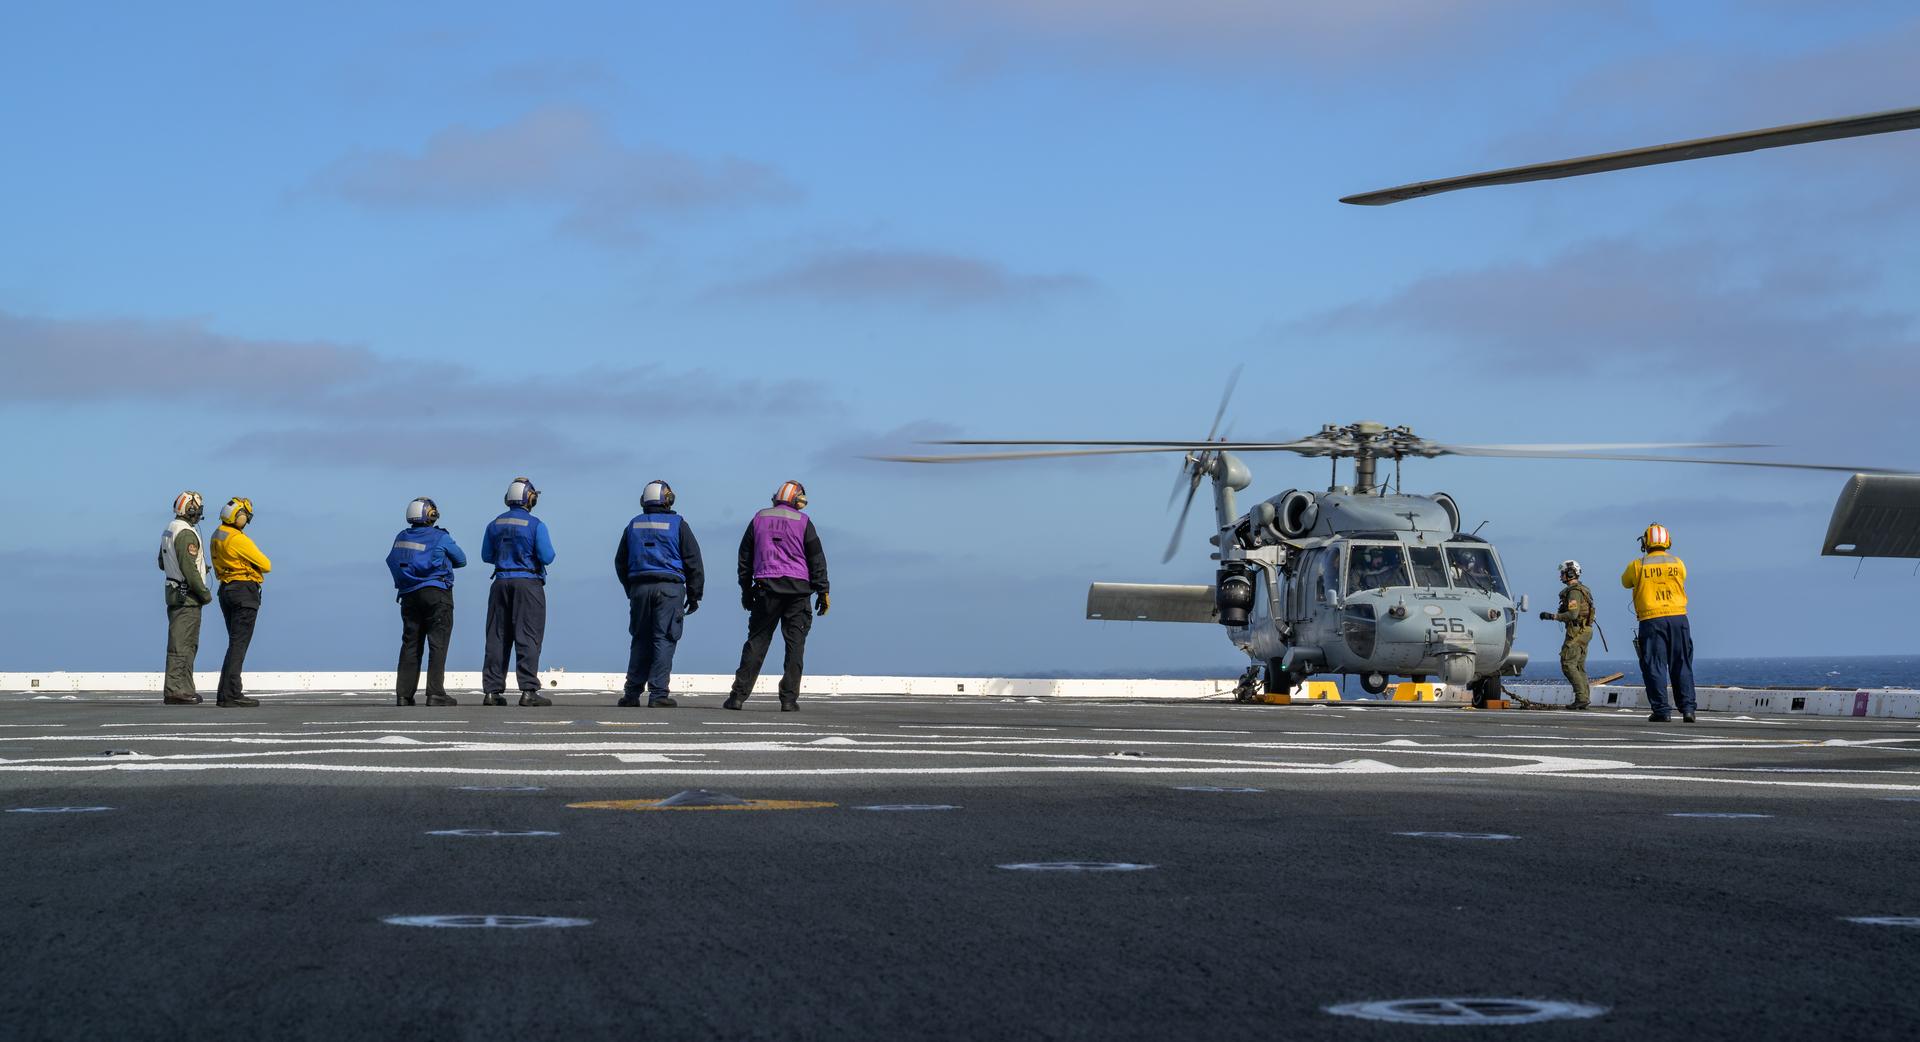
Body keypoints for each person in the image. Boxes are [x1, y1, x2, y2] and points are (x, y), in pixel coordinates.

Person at [725, 480, 829, 713]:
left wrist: (746, 590)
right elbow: (816, 559)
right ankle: (789, 701)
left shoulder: (759, 518)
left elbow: (745, 558)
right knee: (795, 647)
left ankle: (737, 698)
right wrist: (823, 590)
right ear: (798, 500)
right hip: (798, 593)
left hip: (766, 589)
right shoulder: (803, 522)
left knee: (757, 642)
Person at [615, 480, 705, 708]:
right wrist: (695, 595)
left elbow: (620, 562)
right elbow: (693, 561)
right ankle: (658, 694)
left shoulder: (633, 525)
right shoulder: (678, 524)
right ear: (668, 499)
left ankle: (631, 693)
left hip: (639, 589)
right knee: (664, 639)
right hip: (669, 590)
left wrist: (631, 589)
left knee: (640, 639)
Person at [481, 476, 555, 707]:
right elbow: (547, 557)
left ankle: (492, 691)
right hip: (528, 583)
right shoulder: (535, 525)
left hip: (501, 582)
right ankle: (528, 690)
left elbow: (486, 556)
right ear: (530, 499)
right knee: (528, 637)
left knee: (497, 637)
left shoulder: (494, 524)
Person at [386, 497, 466, 706]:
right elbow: (462, 560)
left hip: (409, 596)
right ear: (431, 514)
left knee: (410, 643)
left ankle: (404, 694)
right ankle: (435, 693)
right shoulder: (440, 537)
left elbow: (392, 560)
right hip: (436, 594)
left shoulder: (400, 537)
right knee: (437, 644)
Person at [1621, 523, 1695, 723]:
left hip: (1651, 619)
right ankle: (1688, 709)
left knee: (1654, 665)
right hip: (1679, 618)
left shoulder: (1638, 565)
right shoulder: (1678, 563)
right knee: (1682, 663)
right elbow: (1684, 577)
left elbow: (1625, 582)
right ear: (1667, 541)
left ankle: (1662, 710)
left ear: (1645, 542)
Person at [208, 497, 269, 708]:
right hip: (244, 591)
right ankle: (232, 693)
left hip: (225, 590)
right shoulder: (238, 538)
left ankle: (224, 693)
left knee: (234, 643)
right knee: (239, 644)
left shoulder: (217, 534)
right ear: (239, 516)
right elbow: (266, 564)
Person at [158, 491, 213, 705]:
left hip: (173, 593)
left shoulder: (170, 529)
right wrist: (204, 593)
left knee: (184, 644)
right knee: (183, 645)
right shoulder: (187, 534)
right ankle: (176, 690)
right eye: (197, 509)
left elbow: (163, 562)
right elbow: (189, 569)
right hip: (187, 599)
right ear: (190, 509)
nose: (199, 513)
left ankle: (185, 688)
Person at [1539, 559, 1593, 711]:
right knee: (1579, 665)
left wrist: (1553, 616)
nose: (1560, 576)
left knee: (1568, 664)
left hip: (1577, 631)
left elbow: (1573, 614)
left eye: (1562, 573)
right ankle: (1584, 698)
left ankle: (1581, 698)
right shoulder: (1583, 589)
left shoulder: (1574, 592)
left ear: (1570, 573)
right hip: (1585, 630)